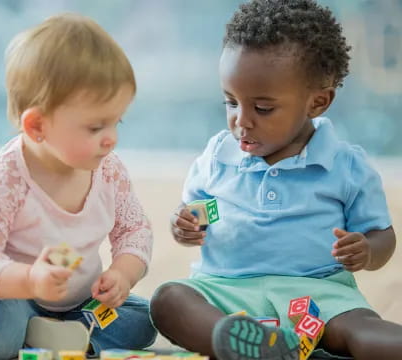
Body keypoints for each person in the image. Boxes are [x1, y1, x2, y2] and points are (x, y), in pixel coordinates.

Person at [150, 1, 400, 359]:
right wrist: (184, 225)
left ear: (317, 102)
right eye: (230, 102)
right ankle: (243, 343)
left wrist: (366, 250)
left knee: (360, 329)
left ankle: (266, 347)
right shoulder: (218, 155)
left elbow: (383, 238)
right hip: (225, 292)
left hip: (317, 292)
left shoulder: (345, 166)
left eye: (262, 108)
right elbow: (197, 210)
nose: (241, 121)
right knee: (168, 299)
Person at [0, 13, 156, 360]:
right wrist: (31, 279)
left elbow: (134, 229)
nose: (112, 139)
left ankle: (45, 334)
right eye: (95, 128)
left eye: (116, 121)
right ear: (37, 126)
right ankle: (30, 332)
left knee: (143, 321)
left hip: (72, 301)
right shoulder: (5, 179)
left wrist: (123, 273)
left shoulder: (109, 171)